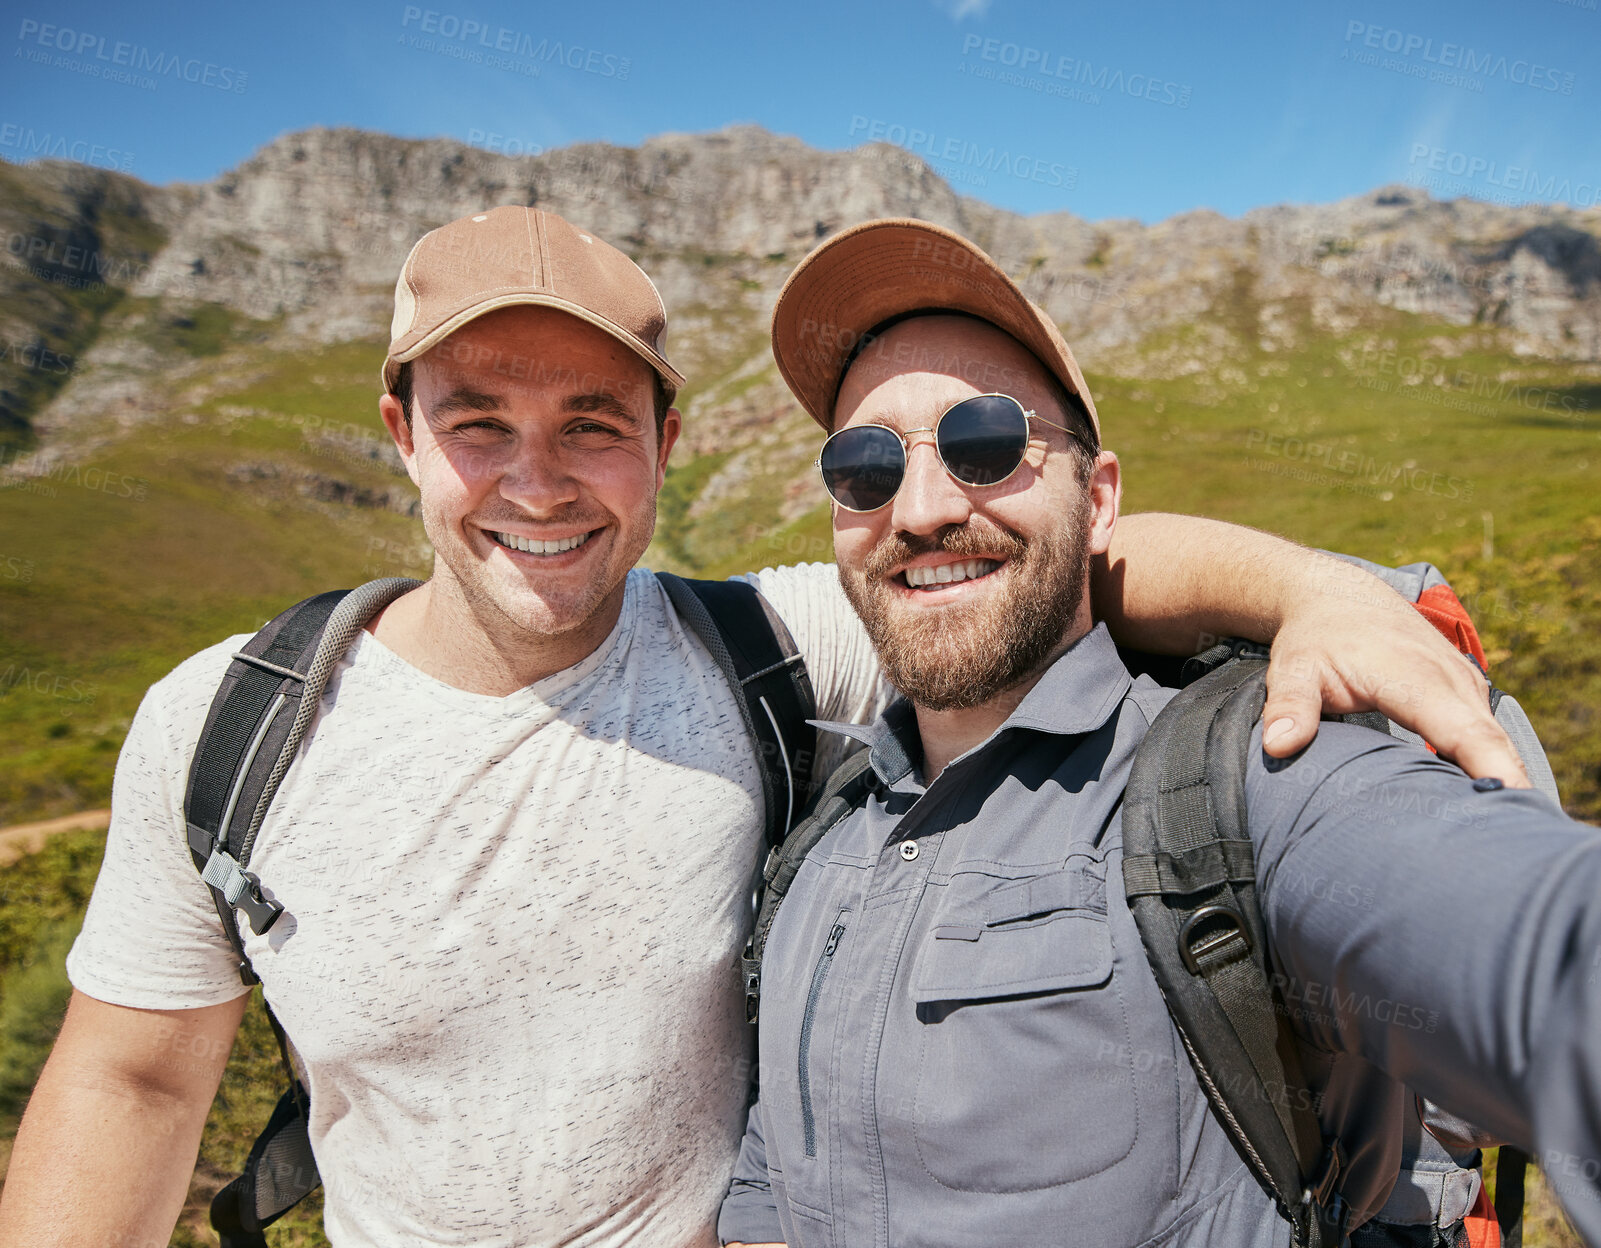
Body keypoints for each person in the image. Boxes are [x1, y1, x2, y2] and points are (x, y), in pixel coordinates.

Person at [0, 208, 1533, 1248]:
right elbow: (131, 1087)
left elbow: (1017, 562)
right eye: (481, 422)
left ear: (667, 440)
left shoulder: (768, 643)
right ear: (400, 430)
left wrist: (1326, 593)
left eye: (593, 424)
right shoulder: (225, 728)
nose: (539, 482)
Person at [717, 217, 1600, 1248]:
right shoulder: (818, 839)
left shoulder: (1243, 780)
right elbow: (774, 1194)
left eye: (984, 443)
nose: (916, 508)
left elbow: (1549, 961)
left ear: (1097, 504)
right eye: (863, 464)